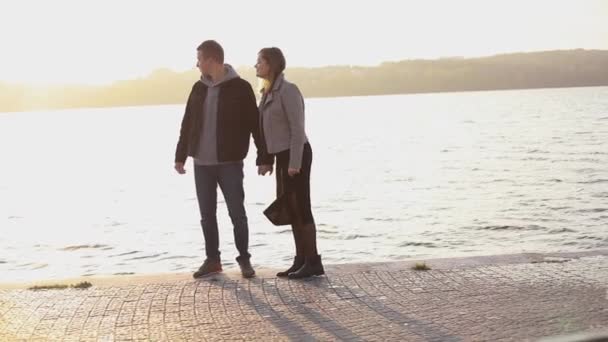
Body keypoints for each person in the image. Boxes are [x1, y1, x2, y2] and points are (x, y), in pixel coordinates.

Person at [174, 40, 271, 278]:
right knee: (207, 215)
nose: (197, 64)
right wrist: (180, 156)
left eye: (199, 59)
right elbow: (187, 123)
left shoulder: (240, 87)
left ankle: (244, 260)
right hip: (202, 164)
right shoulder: (198, 88)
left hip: (230, 162)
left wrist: (264, 157)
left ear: (211, 59)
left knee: (236, 212)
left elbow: (254, 124)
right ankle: (212, 260)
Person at [255, 47, 324, 279]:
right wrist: (267, 160)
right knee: (291, 209)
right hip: (283, 157)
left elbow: (297, 129)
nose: (256, 66)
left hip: (298, 154)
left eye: (260, 62)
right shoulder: (266, 92)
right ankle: (300, 259)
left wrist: (294, 163)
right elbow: (267, 131)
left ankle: (313, 261)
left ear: (271, 64)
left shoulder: (288, 90)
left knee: (302, 206)